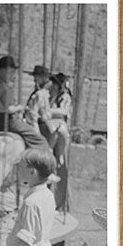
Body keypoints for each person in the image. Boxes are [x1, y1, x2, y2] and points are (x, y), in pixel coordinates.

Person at [0, 54, 48, 151]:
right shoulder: (4, 87)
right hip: (9, 120)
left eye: (12, 72)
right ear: (2, 72)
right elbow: (9, 109)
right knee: (39, 140)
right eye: (10, 72)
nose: (12, 74)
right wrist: (21, 107)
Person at [46, 72, 73, 212]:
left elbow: (63, 111)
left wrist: (47, 110)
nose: (53, 86)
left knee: (61, 166)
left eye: (55, 83)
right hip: (53, 127)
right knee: (52, 166)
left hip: (61, 129)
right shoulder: (52, 96)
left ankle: (61, 202)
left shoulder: (65, 97)